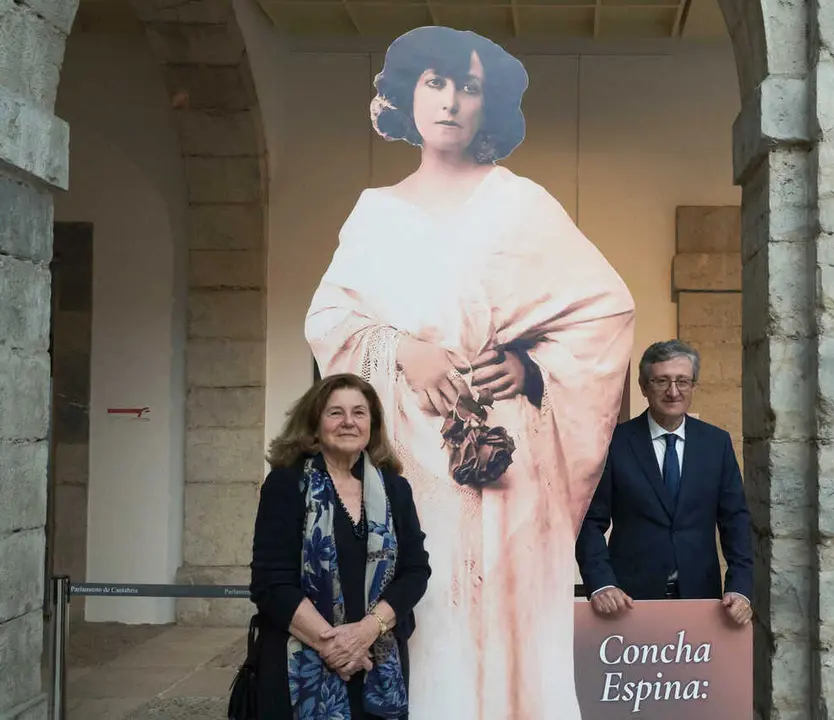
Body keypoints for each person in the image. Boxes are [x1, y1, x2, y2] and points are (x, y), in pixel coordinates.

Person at [304, 25, 635, 720]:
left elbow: (605, 311)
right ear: (408, 94)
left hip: (506, 465)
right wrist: (402, 348)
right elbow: (329, 321)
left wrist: (529, 366)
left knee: (507, 628)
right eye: (435, 82)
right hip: (406, 462)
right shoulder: (375, 214)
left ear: (490, 105)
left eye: (469, 87)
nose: (450, 101)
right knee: (420, 617)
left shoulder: (523, 203)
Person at [250, 373, 431, 719]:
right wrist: (335, 646)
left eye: (359, 413)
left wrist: (365, 633)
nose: (349, 422)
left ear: (372, 425)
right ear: (314, 425)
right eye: (335, 412)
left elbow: (415, 571)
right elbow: (270, 583)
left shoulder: (395, 489)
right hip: (300, 667)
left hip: (377, 665)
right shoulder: (286, 485)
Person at [575, 339, 753, 625]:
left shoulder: (716, 443)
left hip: (702, 599)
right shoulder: (614, 444)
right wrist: (601, 584)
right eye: (661, 381)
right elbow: (588, 522)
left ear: (693, 386)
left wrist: (740, 588)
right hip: (627, 601)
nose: (673, 391)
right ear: (643, 387)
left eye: (682, 381)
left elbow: (736, 522)